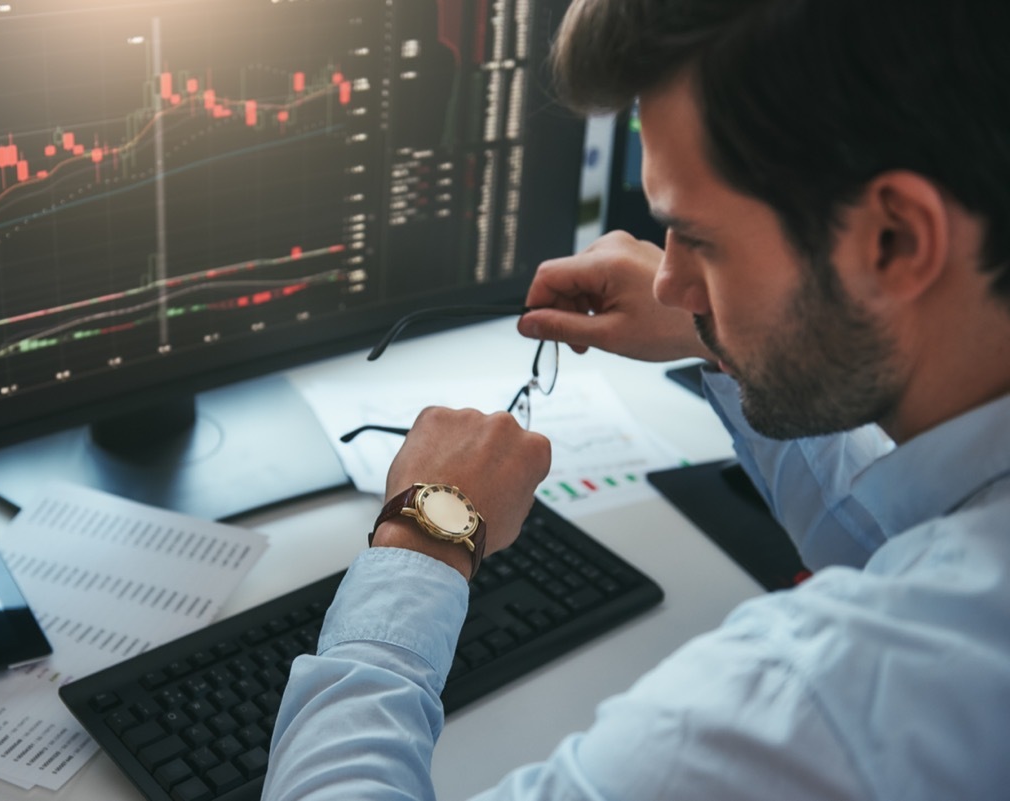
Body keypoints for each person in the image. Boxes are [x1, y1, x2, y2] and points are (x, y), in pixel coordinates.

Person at [262, 0, 1010, 798]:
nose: (669, 280)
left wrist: (429, 525)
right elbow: (885, 541)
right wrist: (716, 327)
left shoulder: (813, 707)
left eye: (702, 238)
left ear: (894, 241)